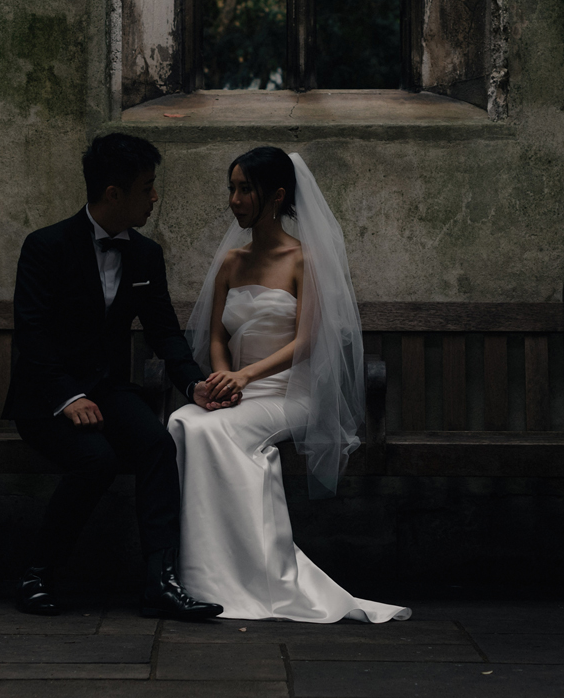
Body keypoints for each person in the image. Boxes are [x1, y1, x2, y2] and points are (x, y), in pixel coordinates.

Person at [167, 147, 410, 622]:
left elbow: (306, 340)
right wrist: (220, 379)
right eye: (231, 189)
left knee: (217, 432)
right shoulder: (231, 263)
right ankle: (201, 572)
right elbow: (216, 335)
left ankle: (262, 577)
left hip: (286, 394)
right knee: (182, 421)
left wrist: (246, 375)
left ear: (276, 196)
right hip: (235, 391)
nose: (234, 200)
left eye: (244, 189)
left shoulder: (305, 260)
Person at [0, 133, 228, 620]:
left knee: (156, 443)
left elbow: (165, 331)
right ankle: (37, 573)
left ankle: (160, 583)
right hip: (46, 398)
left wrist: (194, 384)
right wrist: (67, 396)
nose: (154, 196)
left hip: (107, 390)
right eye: (147, 187)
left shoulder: (146, 255)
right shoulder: (45, 247)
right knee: (96, 460)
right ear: (113, 194)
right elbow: (32, 335)